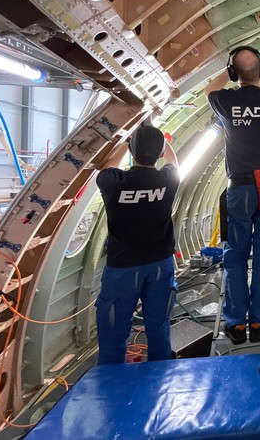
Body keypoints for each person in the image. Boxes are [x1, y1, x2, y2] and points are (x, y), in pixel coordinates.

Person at [205, 46, 260, 344]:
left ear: (232, 73)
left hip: (239, 187)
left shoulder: (225, 100)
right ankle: (258, 324)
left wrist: (226, 73)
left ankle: (237, 324)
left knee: (236, 257)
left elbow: (209, 89)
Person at [95, 126, 180, 364]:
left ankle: (111, 389)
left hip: (123, 267)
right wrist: (165, 143)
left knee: (114, 331)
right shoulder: (169, 179)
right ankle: (159, 381)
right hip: (160, 265)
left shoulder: (113, 182)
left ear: (132, 151)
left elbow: (108, 165)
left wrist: (127, 141)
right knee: (159, 325)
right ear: (160, 153)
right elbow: (173, 160)